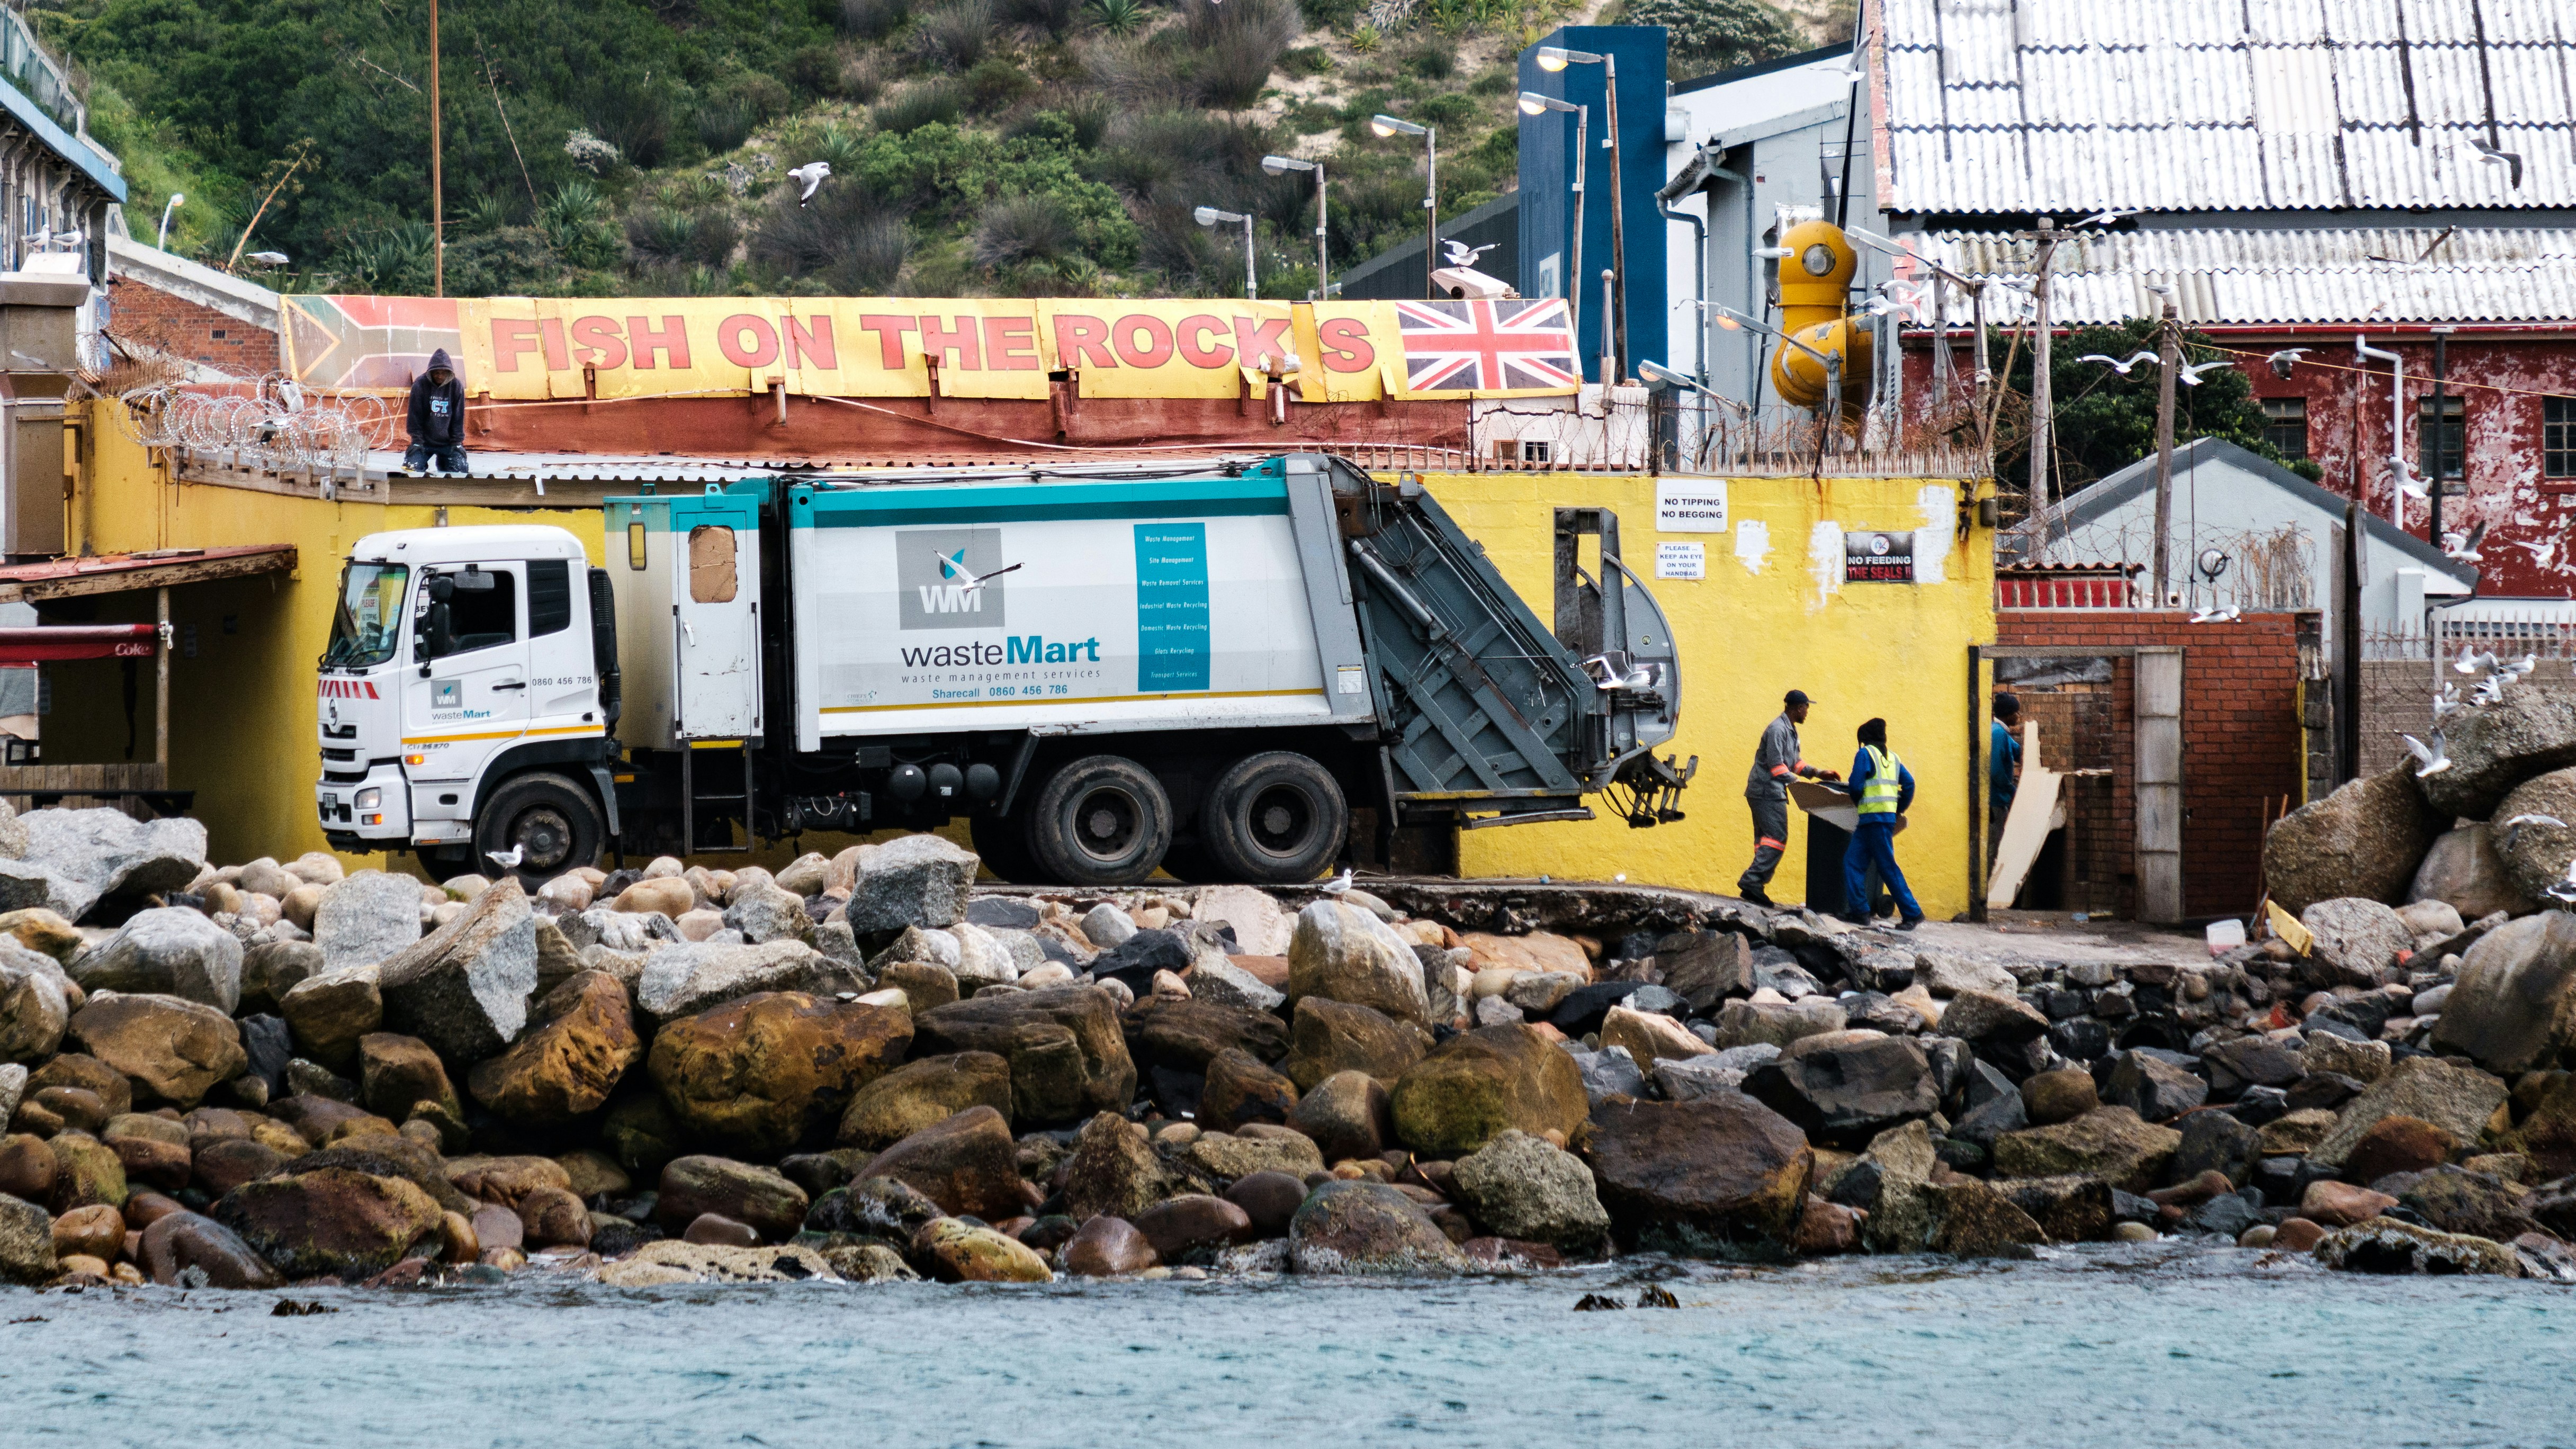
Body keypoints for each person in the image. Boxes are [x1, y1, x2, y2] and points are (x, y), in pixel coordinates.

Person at [1738, 688, 1838, 907]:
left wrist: (1819, 773)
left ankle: (1755, 886)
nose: (1807, 713)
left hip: (1768, 791)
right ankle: (1752, 881)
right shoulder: (1777, 730)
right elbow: (1777, 768)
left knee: (1765, 840)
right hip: (1766, 791)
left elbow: (1796, 763)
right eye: (1806, 708)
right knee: (1777, 837)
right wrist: (1799, 785)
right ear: (1798, 708)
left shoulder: (1789, 730)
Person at [1842, 716, 1924, 930]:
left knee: (1887, 867)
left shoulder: (1865, 754)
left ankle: (1913, 913)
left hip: (1873, 820)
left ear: (1865, 739)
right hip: (1880, 821)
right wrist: (1898, 809)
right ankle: (1860, 912)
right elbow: (1909, 784)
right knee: (1852, 862)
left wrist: (1857, 800)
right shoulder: (1894, 759)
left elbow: (1856, 786)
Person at [405, 348, 469, 474]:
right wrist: (417, 442)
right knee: (411, 470)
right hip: (424, 442)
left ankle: (444, 461)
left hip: (448, 443)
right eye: (436, 373)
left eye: (443, 373)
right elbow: (414, 416)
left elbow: (458, 418)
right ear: (431, 372)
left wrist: (457, 443)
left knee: (460, 471)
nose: (440, 376)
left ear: (449, 373)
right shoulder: (420, 385)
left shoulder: (456, 386)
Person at [1989, 692, 2024, 860]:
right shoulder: (1998, 734)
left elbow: (2018, 752)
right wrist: (2011, 789)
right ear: (2009, 714)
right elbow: (1995, 769)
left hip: (1999, 801)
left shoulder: (2001, 732)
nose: (2019, 716)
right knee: (1995, 850)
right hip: (1996, 801)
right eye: (2017, 712)